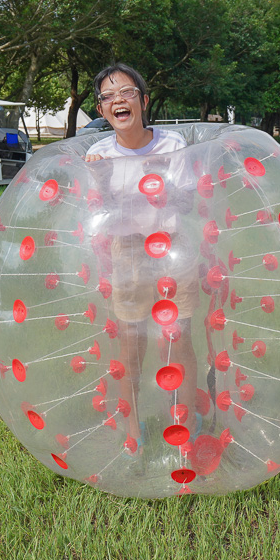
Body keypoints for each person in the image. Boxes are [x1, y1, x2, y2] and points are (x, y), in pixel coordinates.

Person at [84, 63, 201, 448]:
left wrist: (160, 179)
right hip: (129, 252)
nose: (118, 100)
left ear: (144, 100)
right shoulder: (98, 154)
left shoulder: (172, 146)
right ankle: (134, 432)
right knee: (131, 345)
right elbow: (99, 212)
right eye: (108, 96)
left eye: (127, 92)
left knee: (178, 338)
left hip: (171, 245)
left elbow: (186, 201)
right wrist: (100, 179)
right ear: (101, 111)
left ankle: (188, 427)